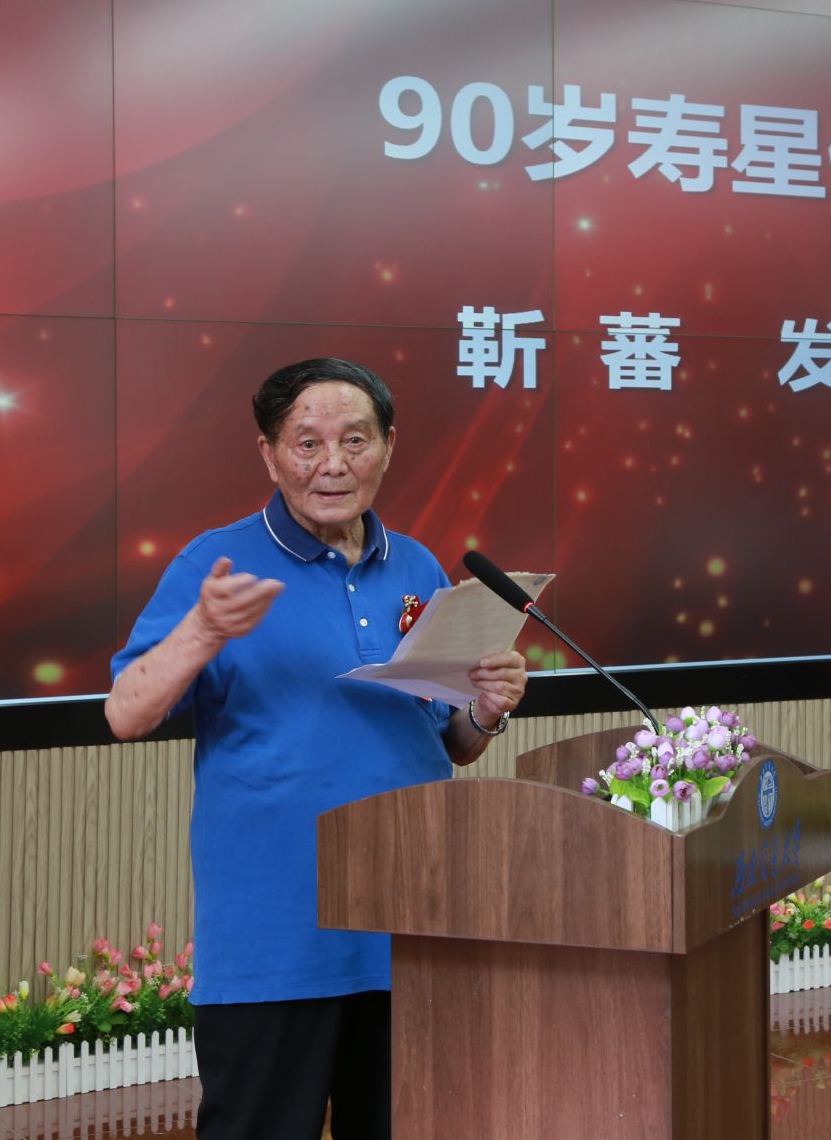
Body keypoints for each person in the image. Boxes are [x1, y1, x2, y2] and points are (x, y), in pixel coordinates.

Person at [105, 357, 528, 1140]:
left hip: (409, 928)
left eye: (355, 440)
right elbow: (125, 712)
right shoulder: (214, 564)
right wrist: (202, 631)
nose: (333, 463)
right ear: (270, 455)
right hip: (276, 944)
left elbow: (448, 741)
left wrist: (486, 711)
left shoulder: (418, 567)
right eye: (307, 443)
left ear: (389, 446)